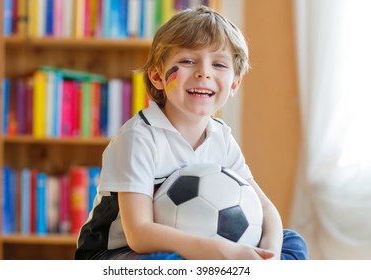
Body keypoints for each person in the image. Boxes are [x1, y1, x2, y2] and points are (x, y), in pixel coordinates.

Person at [75, 6, 308, 260]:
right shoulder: (139, 137)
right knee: (169, 263)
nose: (204, 72)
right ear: (157, 76)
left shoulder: (221, 138)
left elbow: (266, 209)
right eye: (187, 61)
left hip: (199, 243)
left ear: (234, 84)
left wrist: (270, 256)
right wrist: (224, 252)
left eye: (219, 64)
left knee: (292, 242)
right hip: (118, 252)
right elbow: (139, 235)